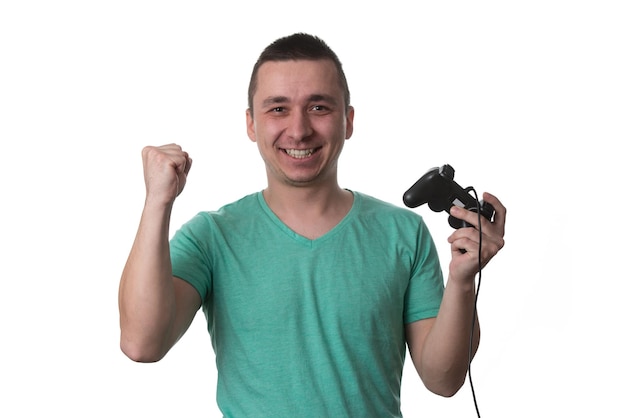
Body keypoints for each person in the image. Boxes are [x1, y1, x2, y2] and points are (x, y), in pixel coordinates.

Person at [118, 32, 506, 417]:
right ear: (251, 124)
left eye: (318, 107)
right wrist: (157, 201)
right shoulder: (211, 237)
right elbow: (141, 343)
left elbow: (443, 380)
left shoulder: (403, 233)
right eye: (278, 109)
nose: (299, 129)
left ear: (348, 120)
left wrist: (461, 280)